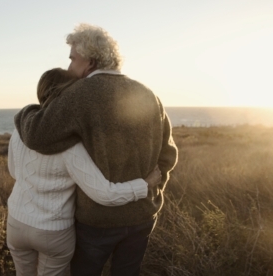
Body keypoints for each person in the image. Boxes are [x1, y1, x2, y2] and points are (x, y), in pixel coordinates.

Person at [14, 23, 178, 276]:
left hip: (97, 221)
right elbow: (168, 155)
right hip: (144, 215)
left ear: (89, 61)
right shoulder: (148, 94)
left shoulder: (80, 94)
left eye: (73, 59)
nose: (69, 67)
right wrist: (152, 188)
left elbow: (37, 136)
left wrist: (27, 110)